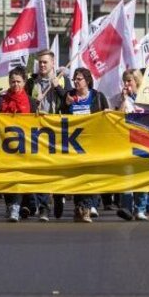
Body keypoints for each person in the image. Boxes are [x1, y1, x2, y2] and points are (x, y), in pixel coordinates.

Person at [25, 49, 72, 220]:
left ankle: (58, 196)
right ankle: (44, 206)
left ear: (53, 63)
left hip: (57, 130)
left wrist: (58, 88)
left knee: (56, 168)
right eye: (40, 62)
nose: (42, 65)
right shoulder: (31, 83)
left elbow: (70, 102)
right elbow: (26, 103)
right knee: (41, 169)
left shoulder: (63, 80)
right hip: (37, 130)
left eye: (45, 62)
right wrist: (33, 103)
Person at [0, 66, 40, 222]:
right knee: (8, 178)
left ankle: (18, 206)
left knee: (21, 176)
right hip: (4, 147)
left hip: (25, 147)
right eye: (12, 82)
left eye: (18, 82)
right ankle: (11, 205)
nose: (15, 85)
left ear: (24, 82)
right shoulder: (0, 101)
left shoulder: (31, 103)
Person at [62, 67, 109, 223]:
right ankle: (79, 207)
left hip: (92, 144)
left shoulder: (98, 96)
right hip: (74, 145)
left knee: (89, 176)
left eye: (79, 78)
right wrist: (66, 105)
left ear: (87, 81)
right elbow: (60, 119)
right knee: (78, 177)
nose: (76, 81)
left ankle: (86, 208)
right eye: (75, 78)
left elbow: (106, 116)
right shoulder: (70, 97)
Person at [115, 69, 149, 221]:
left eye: (129, 81)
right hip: (127, 142)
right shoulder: (123, 98)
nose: (126, 84)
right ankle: (127, 208)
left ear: (137, 81)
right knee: (128, 176)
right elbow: (119, 116)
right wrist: (123, 100)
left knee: (144, 176)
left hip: (146, 142)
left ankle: (140, 209)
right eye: (125, 81)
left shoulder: (148, 98)